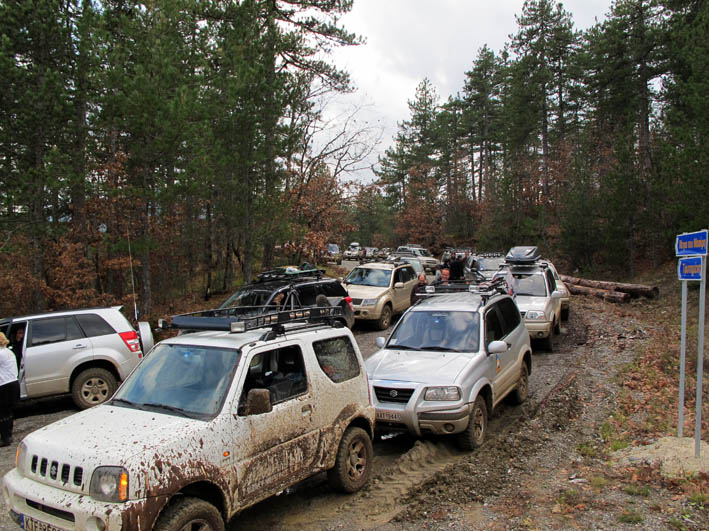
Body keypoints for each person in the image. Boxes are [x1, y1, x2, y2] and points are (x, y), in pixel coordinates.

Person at [0, 332, 20, 447]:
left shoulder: (1, 353)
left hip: (4, 385)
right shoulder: (9, 352)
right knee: (8, 411)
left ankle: (5, 438)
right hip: (13, 383)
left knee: (2, 413)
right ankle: (8, 435)